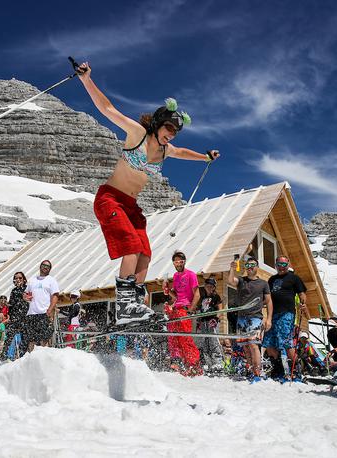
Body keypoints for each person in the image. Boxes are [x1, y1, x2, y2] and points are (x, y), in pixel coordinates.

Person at [74, 61, 220, 326]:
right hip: (110, 197)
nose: (170, 137)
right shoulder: (139, 134)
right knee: (130, 245)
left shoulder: (166, 150)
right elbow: (107, 109)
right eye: (168, 130)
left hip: (131, 205)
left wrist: (204, 157)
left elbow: (184, 152)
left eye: (175, 133)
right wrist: (86, 80)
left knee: (145, 250)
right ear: (158, 123)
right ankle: (124, 305)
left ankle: (135, 304)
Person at [227, 256, 272, 382]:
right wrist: (231, 268)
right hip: (241, 318)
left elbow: (268, 302)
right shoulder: (242, 281)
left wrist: (269, 319)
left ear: (257, 267)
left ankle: (257, 373)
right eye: (247, 266)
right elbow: (231, 281)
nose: (250, 267)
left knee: (253, 345)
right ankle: (251, 370)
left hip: (255, 317)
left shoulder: (263, 283)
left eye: (252, 265)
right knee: (245, 346)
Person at [263, 255, 307, 380]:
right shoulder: (271, 279)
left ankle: (296, 370)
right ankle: (278, 370)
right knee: (269, 343)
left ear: (288, 264)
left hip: (286, 313)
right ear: (275, 265)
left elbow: (302, 293)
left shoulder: (294, 278)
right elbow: (267, 297)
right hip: (272, 315)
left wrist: (303, 303)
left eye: (284, 264)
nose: (281, 267)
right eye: (279, 264)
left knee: (285, 342)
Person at [163, 251, 202, 376]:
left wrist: (191, 309)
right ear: (173, 263)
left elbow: (197, 294)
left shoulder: (191, 275)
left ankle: (194, 365)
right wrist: (168, 291)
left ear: (184, 261)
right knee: (173, 337)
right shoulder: (175, 276)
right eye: (176, 261)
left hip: (185, 310)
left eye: (180, 261)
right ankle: (179, 363)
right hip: (176, 309)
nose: (178, 263)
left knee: (185, 339)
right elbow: (175, 297)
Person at [23, 260, 59, 351]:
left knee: (44, 339)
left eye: (48, 266)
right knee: (31, 339)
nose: (46, 267)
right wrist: (25, 297)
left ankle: (44, 360)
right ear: (40, 266)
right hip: (31, 313)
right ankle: (31, 360)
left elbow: (55, 296)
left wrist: (50, 310)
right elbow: (25, 294)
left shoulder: (51, 280)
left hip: (44, 312)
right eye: (44, 265)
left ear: (50, 269)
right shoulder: (32, 280)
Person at [195, 278, 224, 373]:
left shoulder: (216, 297)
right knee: (203, 342)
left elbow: (221, 310)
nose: (209, 288)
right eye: (207, 286)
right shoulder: (201, 296)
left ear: (214, 287)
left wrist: (216, 318)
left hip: (212, 321)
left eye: (211, 286)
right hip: (203, 322)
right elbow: (198, 309)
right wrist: (198, 321)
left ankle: (218, 362)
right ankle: (207, 363)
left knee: (213, 341)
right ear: (205, 286)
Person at [3, 271, 29, 359]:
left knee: (24, 337)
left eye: (20, 278)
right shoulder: (13, 291)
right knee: (9, 336)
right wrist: (8, 307)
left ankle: (23, 356)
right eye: (16, 278)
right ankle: (4, 355)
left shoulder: (27, 289)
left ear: (24, 280)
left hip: (24, 317)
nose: (18, 280)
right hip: (14, 316)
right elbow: (11, 304)